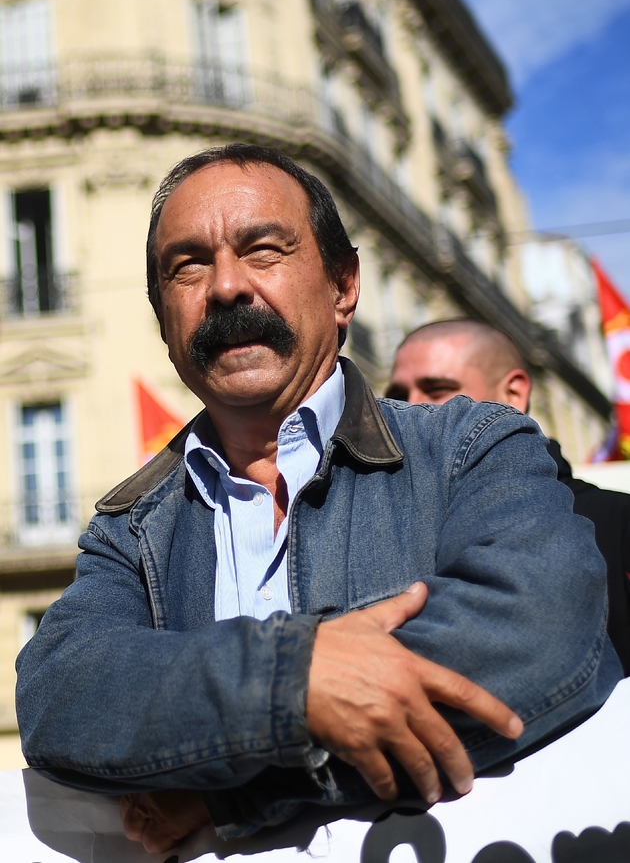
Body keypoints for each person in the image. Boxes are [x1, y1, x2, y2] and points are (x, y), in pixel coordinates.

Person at [16, 147, 621, 854]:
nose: (226, 287)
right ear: (163, 319)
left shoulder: (472, 445)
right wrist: (290, 679)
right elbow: (63, 697)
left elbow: (540, 631)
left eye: (263, 250)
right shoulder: (130, 528)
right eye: (187, 267)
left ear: (342, 286)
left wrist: (241, 790)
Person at [386, 318, 630, 675]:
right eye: (396, 396)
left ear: (513, 394)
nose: (410, 408)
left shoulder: (618, 521)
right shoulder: (381, 526)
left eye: (437, 389)